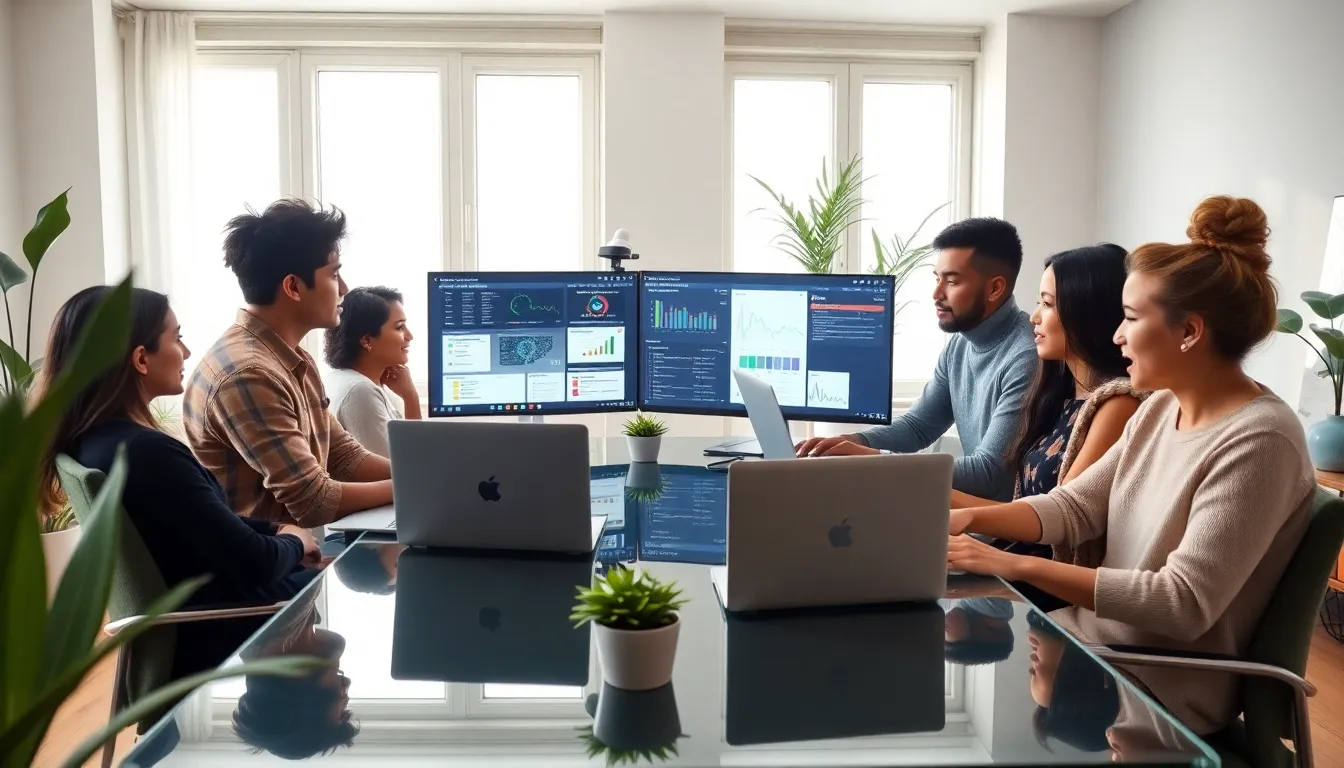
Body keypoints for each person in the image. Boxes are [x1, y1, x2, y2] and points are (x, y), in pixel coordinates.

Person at [946, 196, 1314, 736]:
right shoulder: (1162, 406)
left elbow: (1181, 603)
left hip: (1157, 686)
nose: (1117, 336)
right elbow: (1073, 507)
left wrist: (1010, 564)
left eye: (1132, 318)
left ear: (1189, 332)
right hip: (1089, 647)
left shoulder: (1261, 441)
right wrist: (971, 520)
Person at [36, 286, 322, 679]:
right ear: (140, 358)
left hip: (184, 618)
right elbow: (253, 562)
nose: (186, 352)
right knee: (330, 580)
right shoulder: (148, 454)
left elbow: (205, 523)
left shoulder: (95, 442)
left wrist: (278, 528)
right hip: (214, 628)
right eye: (177, 337)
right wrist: (296, 542)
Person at [184, 199, 393, 528]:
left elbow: (343, 457)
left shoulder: (290, 357)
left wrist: (423, 475)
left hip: (298, 553)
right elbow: (314, 502)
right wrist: (412, 488)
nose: (344, 289)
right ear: (293, 287)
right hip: (269, 568)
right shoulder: (248, 375)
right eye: (334, 274)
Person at [795, 217, 1037, 502]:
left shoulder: (1027, 356)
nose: (936, 294)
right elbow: (918, 427)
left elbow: (989, 473)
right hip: (962, 516)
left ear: (995, 289)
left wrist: (872, 458)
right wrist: (854, 442)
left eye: (952, 281)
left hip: (995, 529)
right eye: (937, 279)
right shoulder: (959, 345)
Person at [323, 286, 421, 458]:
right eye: (399, 328)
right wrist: (411, 398)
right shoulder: (360, 391)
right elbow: (406, 468)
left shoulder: (347, 378)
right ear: (367, 340)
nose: (409, 336)